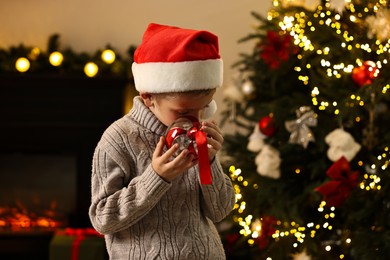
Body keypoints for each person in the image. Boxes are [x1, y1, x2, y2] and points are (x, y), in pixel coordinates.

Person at [89, 23, 235, 260]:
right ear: (148, 96)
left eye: (204, 108)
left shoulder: (198, 134)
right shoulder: (119, 139)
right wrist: (156, 177)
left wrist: (210, 162)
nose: (196, 120)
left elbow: (219, 211)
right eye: (183, 112)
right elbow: (103, 219)